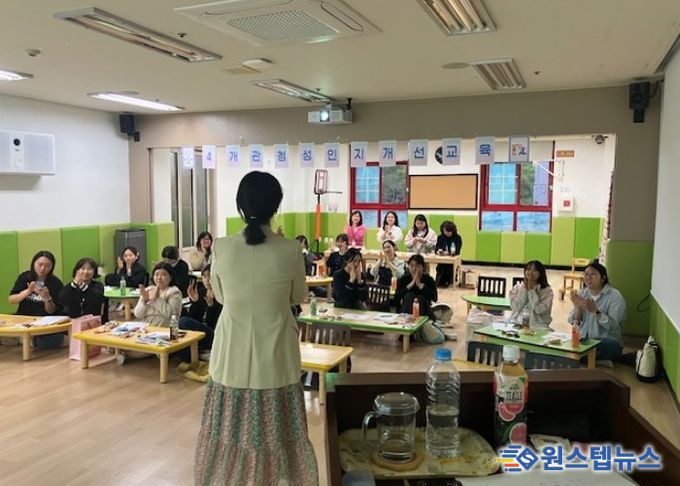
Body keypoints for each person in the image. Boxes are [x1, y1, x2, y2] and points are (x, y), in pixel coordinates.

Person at [195, 171, 318, 485]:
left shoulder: (222, 247)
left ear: (240, 205)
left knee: (229, 430)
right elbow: (298, 296)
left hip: (230, 352)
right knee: (278, 430)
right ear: (275, 206)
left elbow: (220, 296)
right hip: (276, 353)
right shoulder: (290, 249)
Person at [568, 262, 626, 362]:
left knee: (608, 346)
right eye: (586, 274)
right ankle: (595, 359)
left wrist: (595, 312)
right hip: (585, 341)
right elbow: (574, 323)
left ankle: (587, 358)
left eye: (593, 274)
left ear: (603, 278)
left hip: (606, 341)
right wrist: (578, 308)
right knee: (571, 347)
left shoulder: (615, 296)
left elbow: (615, 327)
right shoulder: (582, 293)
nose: (588, 277)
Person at [8, 250, 65, 348]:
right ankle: (25, 339)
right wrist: (27, 291)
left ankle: (26, 340)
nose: (43, 268)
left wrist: (47, 298)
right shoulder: (25, 277)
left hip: (44, 323)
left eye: (47, 266)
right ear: (33, 263)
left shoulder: (55, 283)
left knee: (55, 339)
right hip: (24, 319)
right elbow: (11, 300)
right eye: (40, 264)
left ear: (52, 267)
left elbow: (51, 311)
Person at [180, 265, 219, 361]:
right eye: (204, 276)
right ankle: (190, 355)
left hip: (215, 334)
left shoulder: (221, 295)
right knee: (181, 320)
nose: (207, 280)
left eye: (210, 276)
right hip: (201, 332)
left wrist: (211, 306)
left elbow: (213, 324)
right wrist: (195, 302)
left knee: (184, 321)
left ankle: (191, 355)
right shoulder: (201, 291)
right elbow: (194, 319)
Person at [133, 262, 183, 326]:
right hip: (146, 326)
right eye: (156, 274)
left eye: (163, 275)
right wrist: (143, 301)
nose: (159, 277)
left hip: (164, 327)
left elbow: (172, 315)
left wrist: (157, 299)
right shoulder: (149, 290)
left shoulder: (174, 292)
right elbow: (138, 315)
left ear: (170, 277)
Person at [509, 260, 554, 330]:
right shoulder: (517, 288)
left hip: (539, 326)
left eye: (534, 270)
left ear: (540, 273)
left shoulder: (547, 291)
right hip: (517, 323)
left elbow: (539, 309)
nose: (530, 273)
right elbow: (516, 307)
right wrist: (524, 289)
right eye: (528, 269)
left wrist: (531, 291)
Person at [395, 254, 438, 318]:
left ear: (423, 267)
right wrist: (409, 286)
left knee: (420, 298)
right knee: (409, 295)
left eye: (417, 266)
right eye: (412, 266)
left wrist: (421, 286)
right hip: (406, 310)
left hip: (424, 311)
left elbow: (434, 298)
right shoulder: (404, 278)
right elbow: (397, 296)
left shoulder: (429, 279)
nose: (414, 269)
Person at [435, 220, 463, 287]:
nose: (447, 233)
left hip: (452, 259)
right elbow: (436, 248)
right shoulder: (440, 237)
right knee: (441, 267)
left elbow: (457, 250)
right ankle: (440, 280)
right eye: (445, 231)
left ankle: (448, 280)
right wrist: (438, 251)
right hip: (442, 259)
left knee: (447, 267)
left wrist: (448, 253)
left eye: (449, 231)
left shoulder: (457, 238)